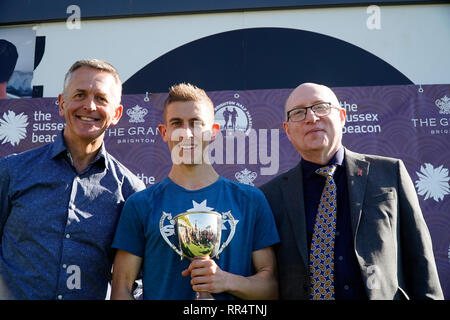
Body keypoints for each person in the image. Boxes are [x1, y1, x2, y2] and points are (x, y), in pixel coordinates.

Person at [260, 82, 444, 300]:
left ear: (342, 117)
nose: (311, 117)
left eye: (320, 106)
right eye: (299, 112)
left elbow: (420, 259)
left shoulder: (389, 173)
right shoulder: (269, 196)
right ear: (288, 130)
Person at [111, 83, 279, 300]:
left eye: (196, 123)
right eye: (176, 123)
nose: (187, 133)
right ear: (164, 132)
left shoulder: (250, 200)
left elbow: (271, 288)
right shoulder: (140, 204)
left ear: (214, 132)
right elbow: (121, 289)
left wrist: (225, 280)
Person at [0, 59, 145, 299]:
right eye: (79, 95)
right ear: (61, 104)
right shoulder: (11, 171)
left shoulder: (130, 191)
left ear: (117, 113)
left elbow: (131, 282)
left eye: (101, 98)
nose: (89, 106)